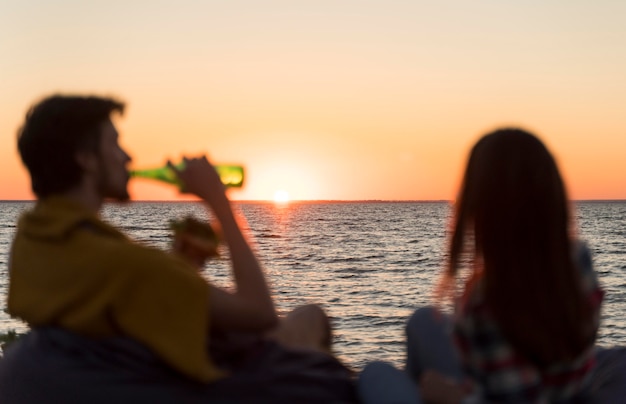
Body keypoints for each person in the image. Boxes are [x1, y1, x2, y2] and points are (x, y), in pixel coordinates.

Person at [0, 94, 356, 403]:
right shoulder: (127, 263)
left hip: (117, 371)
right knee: (317, 327)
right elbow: (259, 311)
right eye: (115, 144)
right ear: (86, 159)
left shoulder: (34, 241)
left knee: (305, 318)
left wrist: (179, 268)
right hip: (197, 385)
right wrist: (218, 200)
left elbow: (114, 303)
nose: (128, 157)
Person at [358, 128, 625, 403]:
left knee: (374, 374)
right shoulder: (576, 259)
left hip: (505, 395)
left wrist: (453, 397)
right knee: (424, 320)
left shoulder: (485, 300)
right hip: (567, 386)